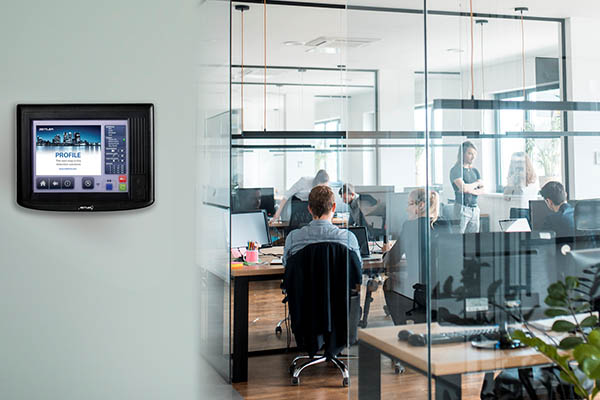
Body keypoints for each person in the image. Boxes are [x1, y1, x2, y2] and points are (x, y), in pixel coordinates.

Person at [381, 189, 450, 325]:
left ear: (421, 205)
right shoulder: (445, 225)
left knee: (388, 283)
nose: (407, 209)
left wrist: (386, 253)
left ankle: (401, 326)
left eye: (410, 204)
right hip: (443, 290)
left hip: (419, 291)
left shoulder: (409, 226)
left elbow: (391, 260)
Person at [282, 185, 361, 266]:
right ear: (334, 207)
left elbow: (286, 265)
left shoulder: (293, 238)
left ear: (309, 208)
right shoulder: (349, 238)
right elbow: (357, 267)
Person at [450, 141, 484, 233]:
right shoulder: (456, 170)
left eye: (474, 154)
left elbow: (482, 190)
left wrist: (468, 188)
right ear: (463, 154)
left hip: (475, 209)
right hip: (462, 208)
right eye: (470, 153)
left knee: (473, 240)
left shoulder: (475, 171)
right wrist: (475, 185)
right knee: (458, 239)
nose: (473, 157)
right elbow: (463, 188)